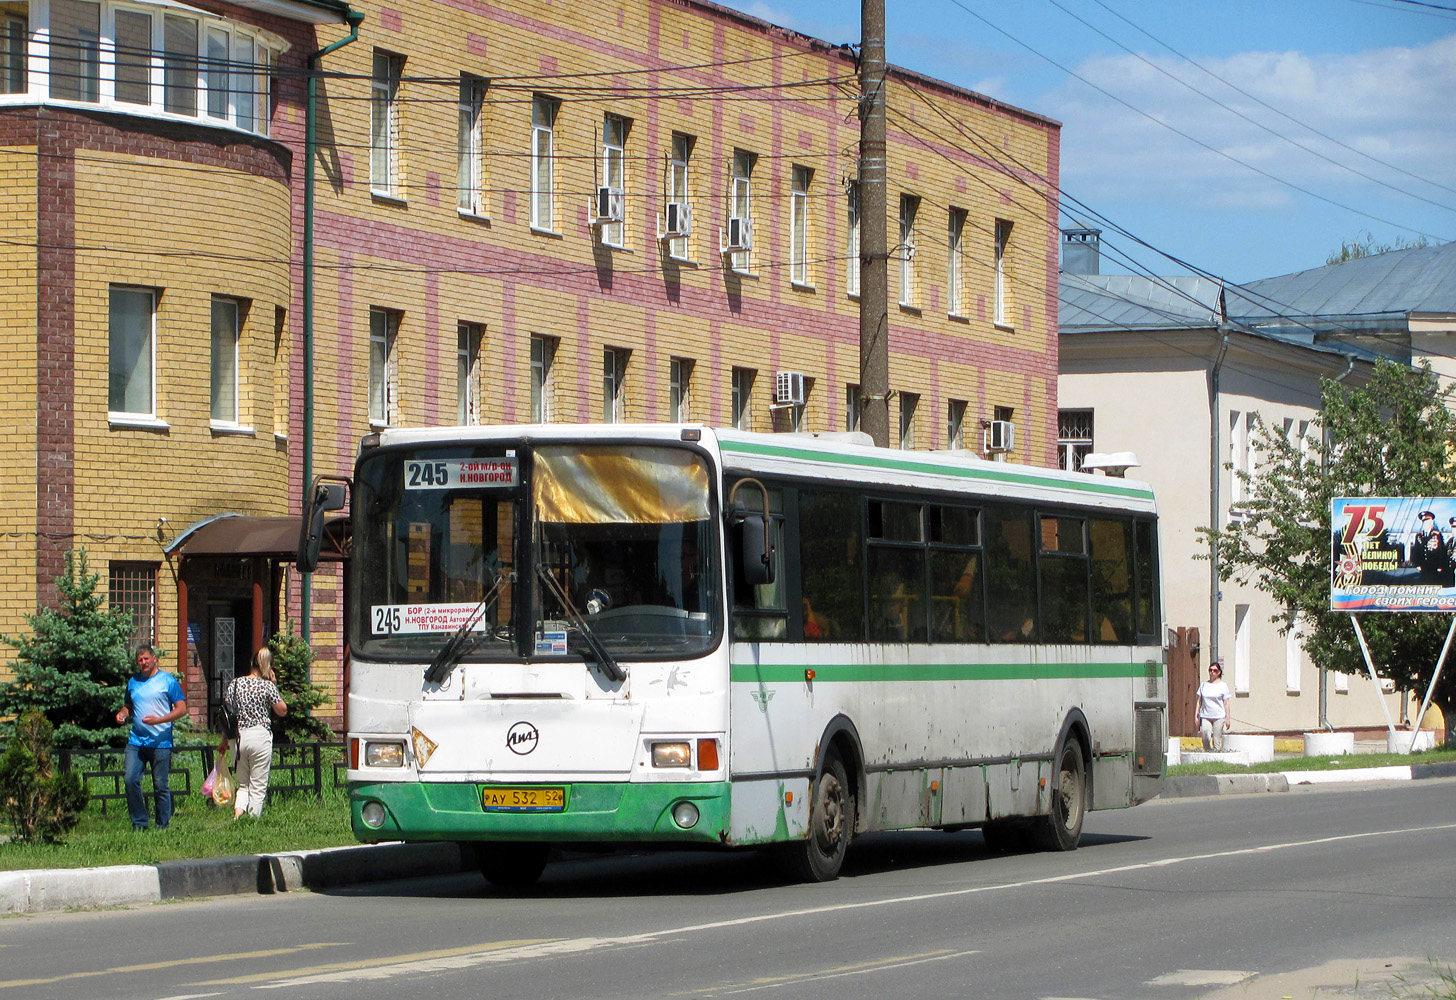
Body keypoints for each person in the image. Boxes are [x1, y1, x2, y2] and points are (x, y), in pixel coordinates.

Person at [115, 645, 187, 831]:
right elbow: (128, 706)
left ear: (155, 659)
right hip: (136, 742)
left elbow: (181, 709)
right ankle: (139, 823)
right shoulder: (133, 682)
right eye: (140, 660)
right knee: (130, 779)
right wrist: (123, 713)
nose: (143, 663)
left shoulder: (167, 681)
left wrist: (159, 720)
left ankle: (162, 825)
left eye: (146, 659)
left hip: (161, 742)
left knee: (160, 785)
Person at [224, 648, 288, 819]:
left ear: (251, 664)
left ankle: (237, 815)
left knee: (242, 783)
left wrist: (224, 740)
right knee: (258, 785)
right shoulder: (267, 686)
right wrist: (274, 685)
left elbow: (227, 714)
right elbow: (282, 710)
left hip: (238, 738)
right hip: (259, 736)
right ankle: (253, 820)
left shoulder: (235, 684)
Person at [1195, 660, 1233, 752]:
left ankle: (1216, 755)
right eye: (1210, 670)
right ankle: (1207, 753)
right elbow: (1199, 701)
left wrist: (1228, 718)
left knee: (1216, 740)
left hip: (1219, 716)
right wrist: (1196, 715)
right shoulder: (1204, 685)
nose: (1212, 672)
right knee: (1205, 736)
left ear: (1219, 672)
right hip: (1206, 715)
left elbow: (1226, 703)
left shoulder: (1223, 686)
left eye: (1215, 670)